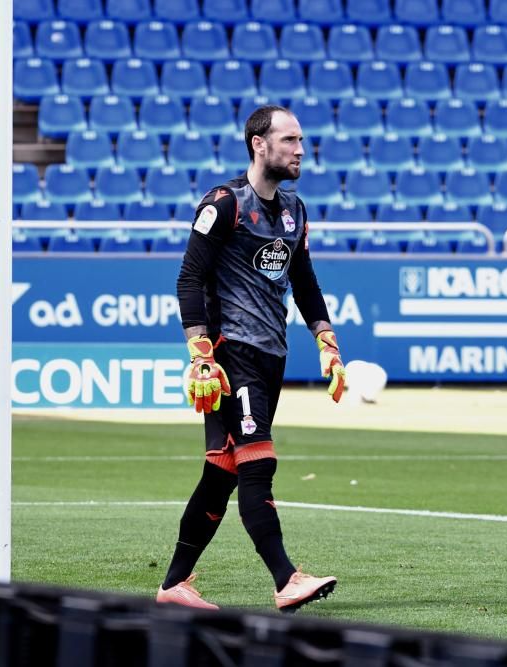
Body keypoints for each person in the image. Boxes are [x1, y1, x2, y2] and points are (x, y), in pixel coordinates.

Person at [155, 106, 347, 613]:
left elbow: (303, 282)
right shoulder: (224, 204)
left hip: (270, 355)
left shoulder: (295, 211)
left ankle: (175, 584)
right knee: (258, 459)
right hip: (229, 353)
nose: (300, 149)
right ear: (259, 144)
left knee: (222, 469)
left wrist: (327, 341)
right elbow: (189, 279)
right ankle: (286, 578)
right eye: (289, 140)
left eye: (302, 140)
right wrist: (200, 353)